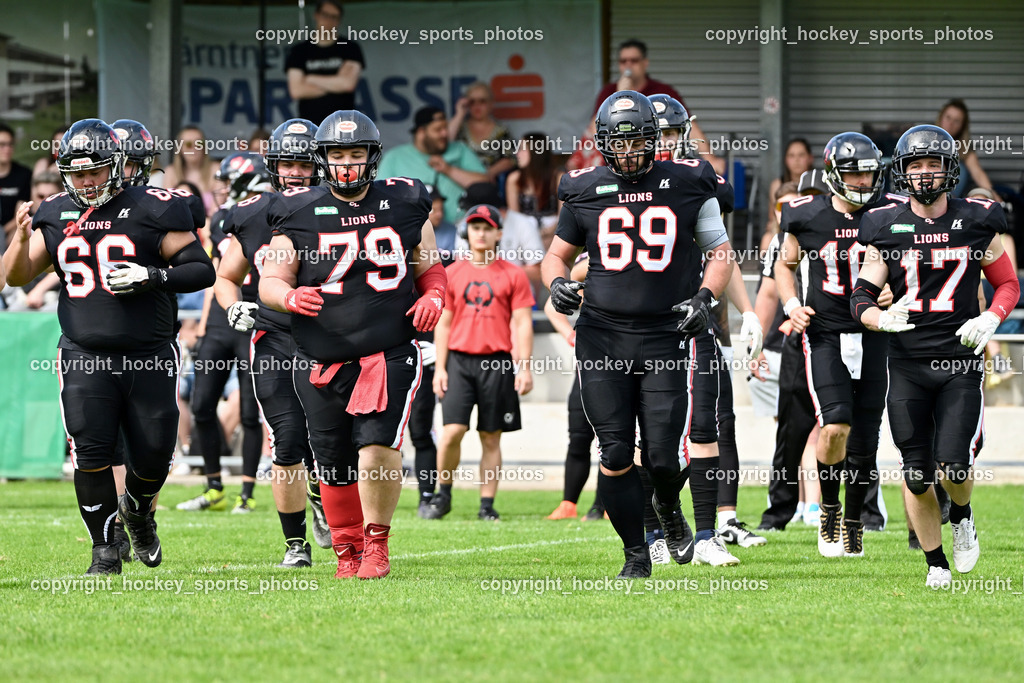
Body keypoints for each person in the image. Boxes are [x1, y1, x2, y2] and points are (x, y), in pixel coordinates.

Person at [3, 118, 215, 574]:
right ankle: (103, 551)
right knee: (91, 452)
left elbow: (201, 270)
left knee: (154, 455)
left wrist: (152, 275)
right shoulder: (55, 211)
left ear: (117, 166)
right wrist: (20, 238)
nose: (86, 181)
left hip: (149, 353)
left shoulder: (154, 207)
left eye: (94, 171)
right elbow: (17, 276)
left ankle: (136, 512)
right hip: (84, 353)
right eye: (77, 173)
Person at [541, 91, 736, 578]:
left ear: (654, 139)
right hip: (602, 336)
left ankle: (668, 506)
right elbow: (556, 256)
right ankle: (635, 553)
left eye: (636, 141)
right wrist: (557, 283)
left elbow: (720, 251)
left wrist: (705, 298)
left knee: (663, 456)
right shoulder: (583, 187)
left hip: (666, 333)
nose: (627, 152)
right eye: (618, 143)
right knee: (613, 451)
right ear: (603, 143)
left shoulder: (688, 180)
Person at [259, 110, 446, 580]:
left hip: (388, 351)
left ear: (372, 156)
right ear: (322, 158)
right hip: (320, 357)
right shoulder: (296, 209)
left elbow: (429, 266)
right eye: (338, 154)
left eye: (355, 153)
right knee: (332, 461)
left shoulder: (406, 200)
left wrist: (435, 295)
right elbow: (271, 279)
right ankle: (347, 550)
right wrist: (288, 296)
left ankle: (377, 545)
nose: (347, 163)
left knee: (377, 446)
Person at [853, 123, 1018, 588]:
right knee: (916, 474)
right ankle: (935, 564)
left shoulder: (977, 219)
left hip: (958, 361)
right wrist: (878, 319)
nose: (925, 173)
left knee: (955, 464)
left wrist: (993, 317)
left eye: (933, 164)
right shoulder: (885, 224)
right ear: (902, 172)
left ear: (950, 170)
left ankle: (961, 515)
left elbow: (1008, 283)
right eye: (916, 165)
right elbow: (860, 295)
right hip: (907, 365)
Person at [212, 119, 332, 567]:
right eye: (288, 163)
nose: (296, 172)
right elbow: (226, 277)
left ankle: (321, 492)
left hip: (330, 340)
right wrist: (231, 306)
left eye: (304, 163)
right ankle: (295, 544)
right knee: (287, 440)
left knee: (329, 442)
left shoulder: (341, 208)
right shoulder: (252, 214)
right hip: (275, 338)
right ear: (274, 166)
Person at [775, 132, 900, 558]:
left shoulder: (890, 213)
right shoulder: (805, 213)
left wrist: (895, 291)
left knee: (865, 439)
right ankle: (829, 508)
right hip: (825, 332)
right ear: (832, 174)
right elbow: (785, 264)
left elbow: (909, 266)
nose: (863, 181)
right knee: (834, 426)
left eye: (869, 173)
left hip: (875, 334)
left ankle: (853, 521)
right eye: (854, 174)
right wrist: (791, 304)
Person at [422, 204, 535, 521]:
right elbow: (443, 323)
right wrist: (440, 368)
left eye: (487, 228)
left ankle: (487, 505)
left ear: (498, 233)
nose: (481, 233)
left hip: (497, 363)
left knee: (490, 435)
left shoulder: (513, 274)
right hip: (458, 361)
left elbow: (522, 323)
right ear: (466, 232)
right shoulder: (452, 272)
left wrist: (524, 367)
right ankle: (443, 494)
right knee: (452, 431)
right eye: (475, 227)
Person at [177, 153, 269, 515]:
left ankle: (247, 493)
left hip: (254, 313)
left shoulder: (273, 213)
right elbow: (216, 274)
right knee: (201, 405)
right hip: (220, 316)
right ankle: (214, 486)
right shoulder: (219, 219)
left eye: (231, 182)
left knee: (249, 412)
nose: (224, 189)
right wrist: (203, 324)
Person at [589, 40, 722, 173]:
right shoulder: (609, 93)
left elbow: (685, 123)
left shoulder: (662, 91)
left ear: (645, 63)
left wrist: (709, 158)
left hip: (654, 162)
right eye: (623, 61)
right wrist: (621, 95)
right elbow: (596, 130)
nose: (628, 65)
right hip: (620, 165)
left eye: (634, 60)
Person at [377, 106, 488, 224]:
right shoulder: (394, 157)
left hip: (462, 225)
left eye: (445, 127)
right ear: (421, 132)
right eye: (438, 130)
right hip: (413, 228)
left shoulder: (459, 149)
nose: (445, 133)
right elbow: (379, 196)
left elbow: (485, 185)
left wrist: (449, 170)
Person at [452, 182, 544, 292]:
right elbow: (460, 265)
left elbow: (538, 271)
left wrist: (498, 274)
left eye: (470, 209)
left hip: (515, 291)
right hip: (475, 293)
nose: (467, 213)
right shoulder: (465, 224)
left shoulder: (523, 223)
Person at [285, 0, 364, 125]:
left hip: (343, 125)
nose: (329, 20)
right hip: (310, 126)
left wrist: (310, 78)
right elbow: (296, 90)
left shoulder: (350, 48)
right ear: (316, 15)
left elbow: (348, 84)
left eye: (334, 17)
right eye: (325, 15)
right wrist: (336, 83)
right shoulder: (299, 51)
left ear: (339, 20)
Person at [448, 81, 517, 183]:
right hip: (460, 181)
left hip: (488, 182)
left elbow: (511, 159)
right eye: (472, 102)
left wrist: (489, 173)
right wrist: (459, 114)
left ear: (491, 103)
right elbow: (445, 142)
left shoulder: (501, 131)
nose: (477, 106)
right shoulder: (460, 127)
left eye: (482, 101)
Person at [505, 131, 563, 247]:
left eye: (522, 149)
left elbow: (564, 215)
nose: (517, 153)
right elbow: (515, 218)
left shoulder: (558, 178)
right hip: (524, 235)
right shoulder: (514, 179)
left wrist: (547, 232)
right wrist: (531, 235)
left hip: (554, 233)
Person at [935, 99, 999, 199]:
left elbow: (977, 172)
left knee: (960, 169)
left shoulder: (964, 146)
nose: (950, 123)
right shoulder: (925, 137)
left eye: (956, 121)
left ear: (962, 126)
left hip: (952, 197)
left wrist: (993, 194)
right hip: (926, 190)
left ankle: (949, 201)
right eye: (948, 117)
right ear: (941, 117)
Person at [161, 126, 218, 215]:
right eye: (188, 144)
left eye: (199, 143)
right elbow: (167, 209)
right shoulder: (170, 172)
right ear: (180, 148)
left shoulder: (216, 169)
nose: (194, 148)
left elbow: (216, 212)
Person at [1, 122, 33, 248]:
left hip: (10, 229)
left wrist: (2, 231)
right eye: (2, 145)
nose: (7, 149)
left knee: (17, 236)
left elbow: (21, 212)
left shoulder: (23, 174)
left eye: (10, 144)